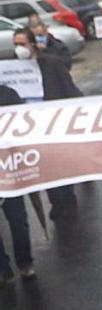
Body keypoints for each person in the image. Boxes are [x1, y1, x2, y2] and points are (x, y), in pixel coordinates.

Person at [13, 27, 80, 223]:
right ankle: (57, 202)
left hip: (54, 123)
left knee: (60, 164)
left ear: (33, 44)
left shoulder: (51, 63)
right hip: (29, 128)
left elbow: (70, 90)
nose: (19, 49)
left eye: (22, 44)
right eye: (16, 45)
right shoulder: (13, 69)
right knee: (43, 166)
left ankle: (67, 198)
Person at [0, 84, 35, 285]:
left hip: (10, 172)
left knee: (18, 221)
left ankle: (25, 263)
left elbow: (25, 123)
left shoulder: (7, 94)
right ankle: (2, 268)